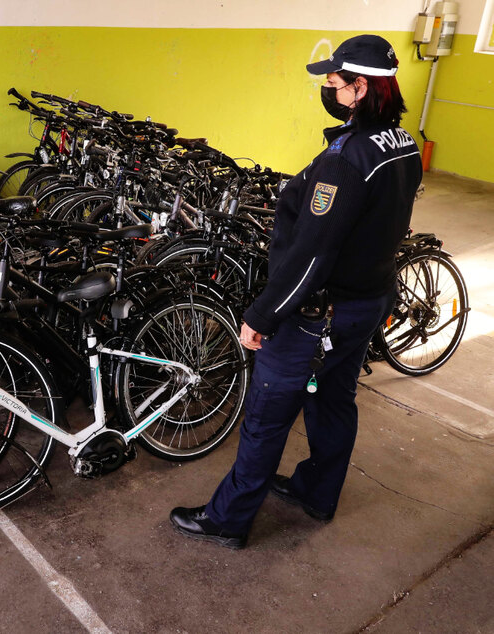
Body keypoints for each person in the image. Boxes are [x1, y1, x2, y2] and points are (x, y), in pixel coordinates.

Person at [170, 34, 423, 549]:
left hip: (317, 315)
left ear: (359, 88)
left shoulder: (345, 159)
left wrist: (262, 315)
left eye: (334, 81)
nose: (327, 88)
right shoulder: (404, 143)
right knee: (333, 401)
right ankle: (317, 492)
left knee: (265, 417)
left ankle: (228, 520)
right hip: (365, 303)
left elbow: (313, 252)